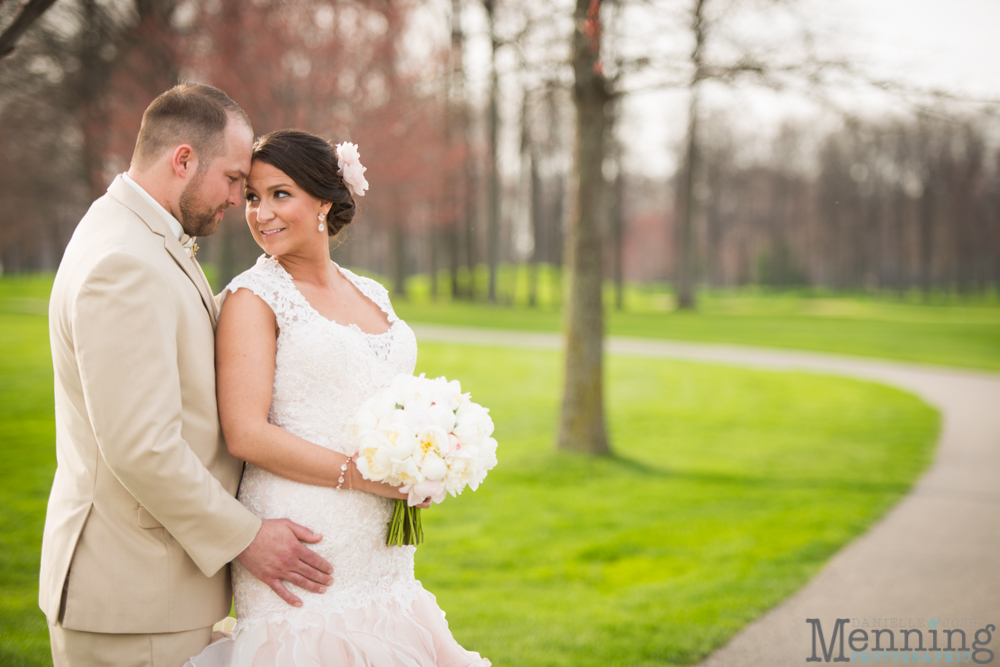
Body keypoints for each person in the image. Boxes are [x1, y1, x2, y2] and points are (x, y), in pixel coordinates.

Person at [41, 85, 338, 667]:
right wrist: (247, 536)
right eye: (233, 179)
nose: (238, 199)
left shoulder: (134, 236)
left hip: (150, 590)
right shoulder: (125, 262)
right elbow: (141, 447)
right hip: (134, 598)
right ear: (182, 160)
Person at [185, 129, 490, 666]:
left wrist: (426, 460)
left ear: (324, 200)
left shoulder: (371, 293)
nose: (261, 213)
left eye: (281, 194)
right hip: (304, 541)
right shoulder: (253, 299)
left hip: (383, 558)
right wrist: (363, 476)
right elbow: (246, 432)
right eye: (253, 197)